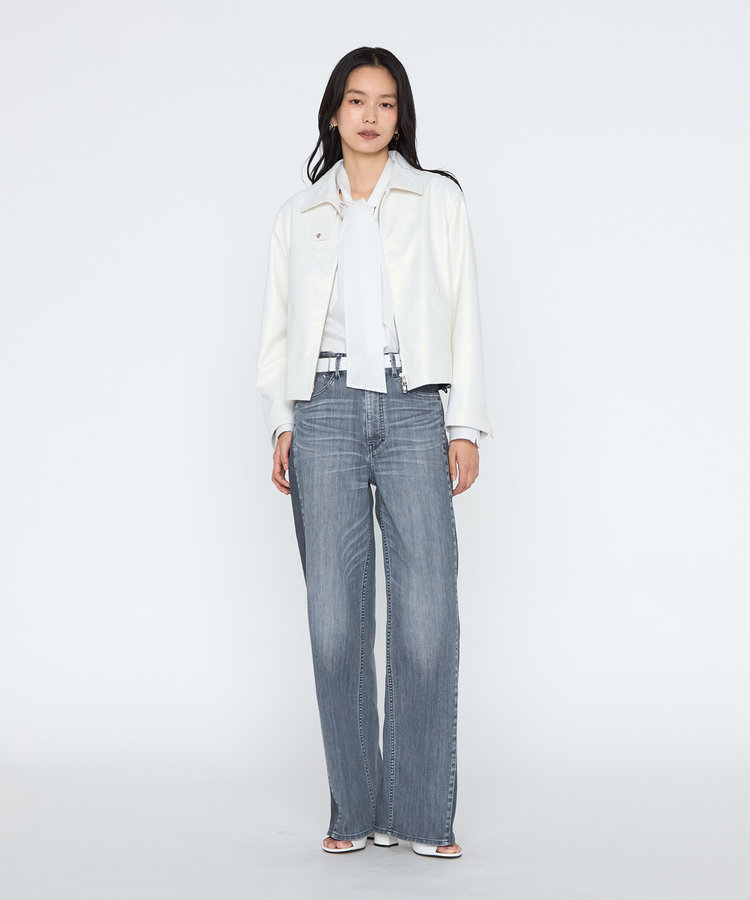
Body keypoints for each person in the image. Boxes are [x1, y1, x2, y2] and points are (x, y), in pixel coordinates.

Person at [256, 46, 492, 858]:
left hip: (414, 405)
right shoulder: (299, 214)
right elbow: (278, 327)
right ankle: (354, 810)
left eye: (386, 103)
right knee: (334, 624)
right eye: (356, 101)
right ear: (334, 113)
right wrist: (281, 421)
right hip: (321, 409)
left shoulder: (436, 200)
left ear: (401, 117)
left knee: (426, 619)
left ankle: (420, 815)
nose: (370, 115)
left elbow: (464, 313)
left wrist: (464, 426)